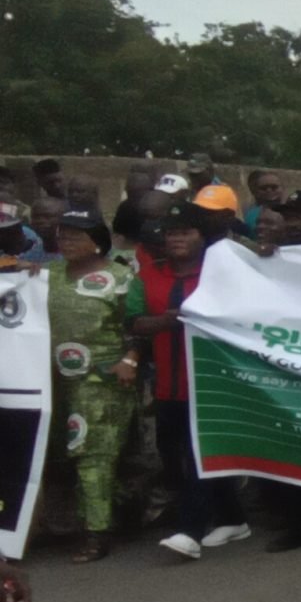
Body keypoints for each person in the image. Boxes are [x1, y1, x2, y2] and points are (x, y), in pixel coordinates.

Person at [127, 200, 249, 559]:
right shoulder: (148, 276)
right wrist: (170, 319)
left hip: (213, 383)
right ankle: (233, 518)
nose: (176, 239)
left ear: (201, 237)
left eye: (185, 232)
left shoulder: (223, 273)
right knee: (174, 456)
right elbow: (134, 321)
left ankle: (190, 531)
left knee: (201, 455)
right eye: (171, 233)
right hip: (168, 385)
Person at [48, 208, 137, 564]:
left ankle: (97, 533)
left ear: (96, 241)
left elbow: (134, 322)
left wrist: (129, 359)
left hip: (103, 378)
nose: (65, 241)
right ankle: (117, 513)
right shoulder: (48, 274)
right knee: (66, 456)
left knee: (93, 454)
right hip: (53, 381)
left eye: (75, 235)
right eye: (62, 235)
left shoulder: (119, 276)